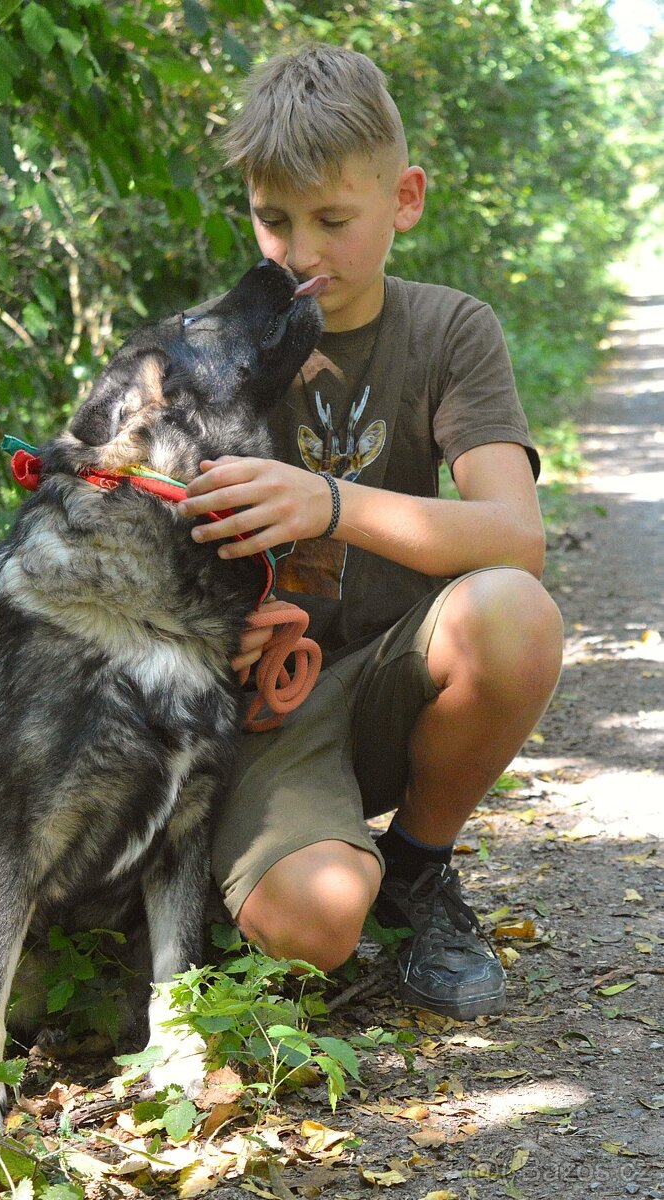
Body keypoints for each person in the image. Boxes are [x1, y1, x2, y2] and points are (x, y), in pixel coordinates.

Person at [175, 43, 564, 1020]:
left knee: (512, 612)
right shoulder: (203, 350)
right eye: (273, 220)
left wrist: (329, 503)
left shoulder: (449, 330)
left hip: (395, 673)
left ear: (406, 200)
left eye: (333, 221)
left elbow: (515, 538)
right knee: (316, 927)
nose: (300, 256)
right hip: (264, 723)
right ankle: (282, 868)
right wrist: (216, 638)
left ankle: (417, 872)